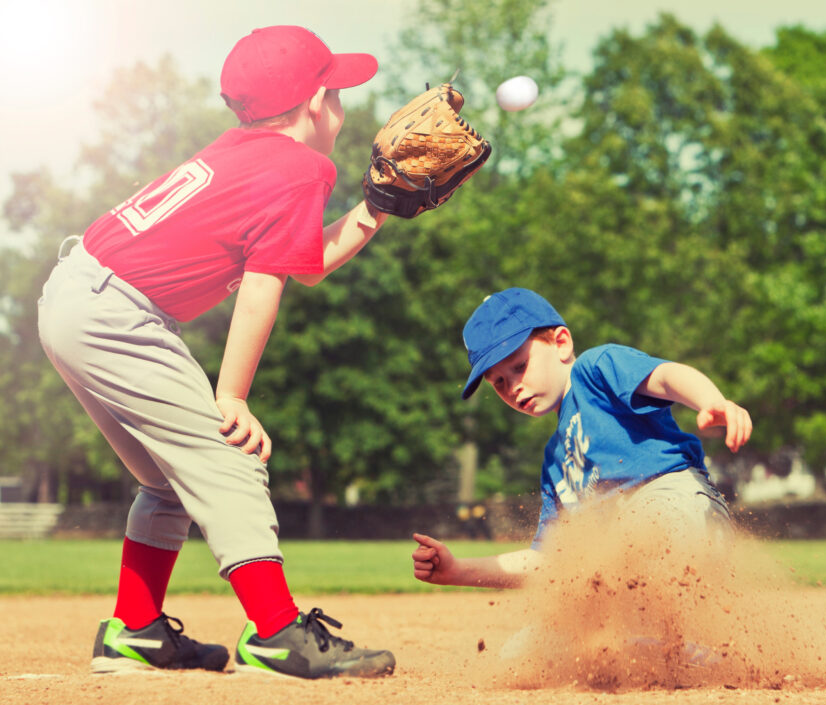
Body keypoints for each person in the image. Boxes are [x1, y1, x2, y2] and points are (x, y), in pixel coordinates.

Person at [37, 26, 398, 679]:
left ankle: (136, 631)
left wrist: (374, 210)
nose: (342, 107)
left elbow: (304, 263)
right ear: (318, 103)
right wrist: (230, 396)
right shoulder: (303, 166)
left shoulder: (246, 153)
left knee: (164, 481)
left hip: (75, 295)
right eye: (338, 92)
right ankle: (277, 631)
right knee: (229, 454)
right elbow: (265, 285)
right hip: (118, 312)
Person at [411, 287, 751, 590]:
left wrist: (710, 400)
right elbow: (549, 562)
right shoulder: (555, 464)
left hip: (679, 507)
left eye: (518, 366)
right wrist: (457, 570)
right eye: (498, 382)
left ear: (561, 343)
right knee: (539, 642)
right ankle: (669, 649)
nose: (512, 387)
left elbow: (665, 377)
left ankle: (677, 641)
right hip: (627, 555)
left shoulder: (595, 369)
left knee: (623, 543)